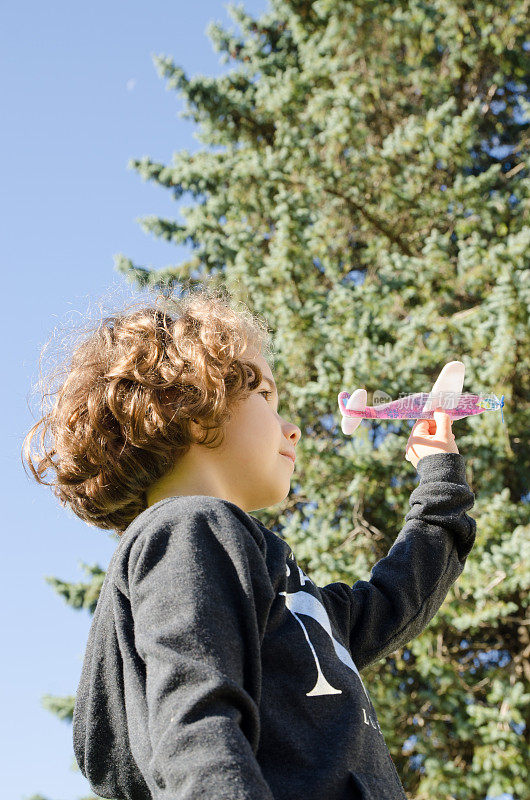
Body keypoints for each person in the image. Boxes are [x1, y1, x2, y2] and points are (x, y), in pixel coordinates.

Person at [22, 284, 476, 800]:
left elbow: (395, 601)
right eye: (265, 395)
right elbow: (196, 725)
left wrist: (438, 475)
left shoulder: (276, 588)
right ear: (191, 404)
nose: (293, 428)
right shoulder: (186, 531)